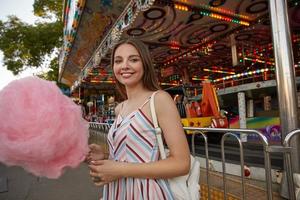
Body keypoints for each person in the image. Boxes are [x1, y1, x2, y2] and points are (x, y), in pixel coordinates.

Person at [87, 39, 190, 199]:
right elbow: (131, 156)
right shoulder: (120, 108)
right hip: (117, 192)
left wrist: (120, 170)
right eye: (118, 61)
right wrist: (105, 158)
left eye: (133, 59)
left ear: (145, 64)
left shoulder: (159, 99)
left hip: (146, 193)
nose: (125, 66)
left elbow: (182, 163)